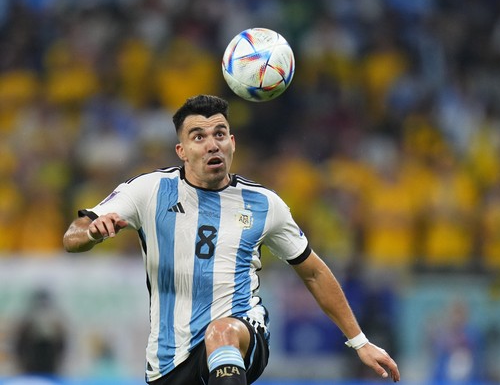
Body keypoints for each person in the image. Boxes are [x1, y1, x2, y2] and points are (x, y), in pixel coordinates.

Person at [63, 94, 400, 384]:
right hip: (169, 358)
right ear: (181, 150)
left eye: (220, 134)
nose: (212, 143)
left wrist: (359, 341)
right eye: (198, 136)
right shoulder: (150, 191)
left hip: (241, 331)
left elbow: (312, 271)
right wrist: (91, 232)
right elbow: (72, 236)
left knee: (221, 332)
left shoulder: (265, 205)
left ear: (232, 143)